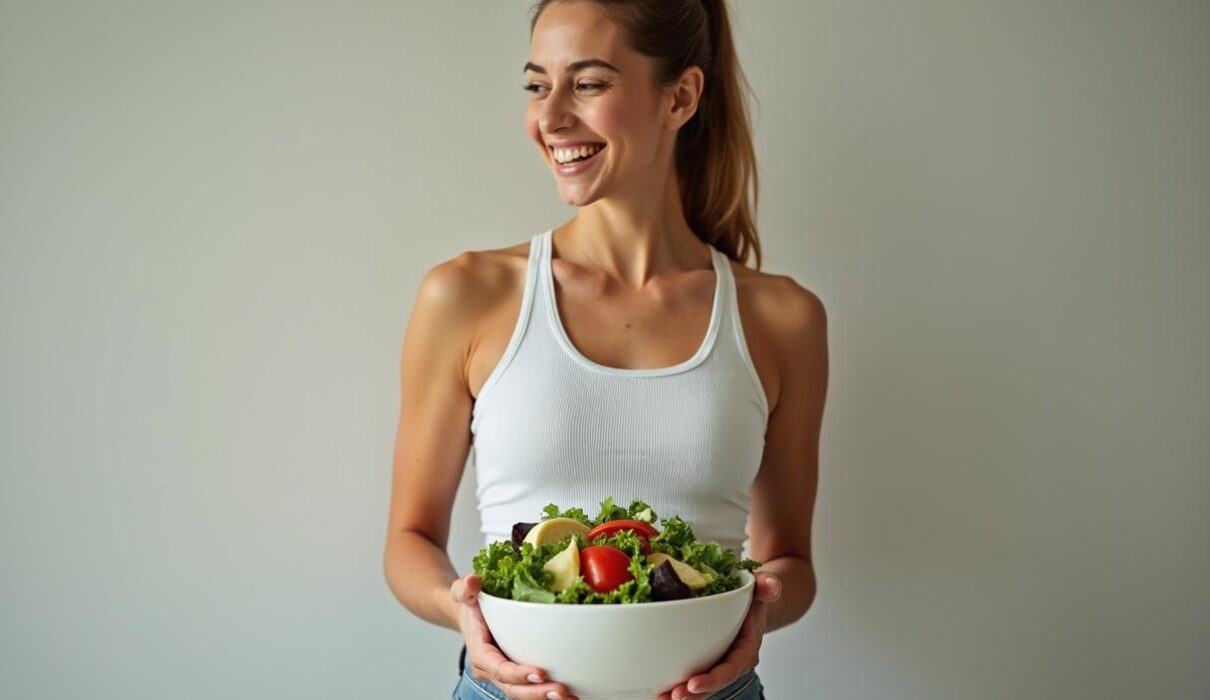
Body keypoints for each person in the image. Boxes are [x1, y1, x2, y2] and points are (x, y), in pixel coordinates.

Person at [383, 0, 828, 698]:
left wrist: (753, 616)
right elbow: (408, 540)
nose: (551, 117)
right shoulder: (465, 296)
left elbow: (791, 562)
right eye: (537, 85)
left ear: (679, 97)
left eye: (588, 84)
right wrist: (464, 612)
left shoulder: (782, 318)